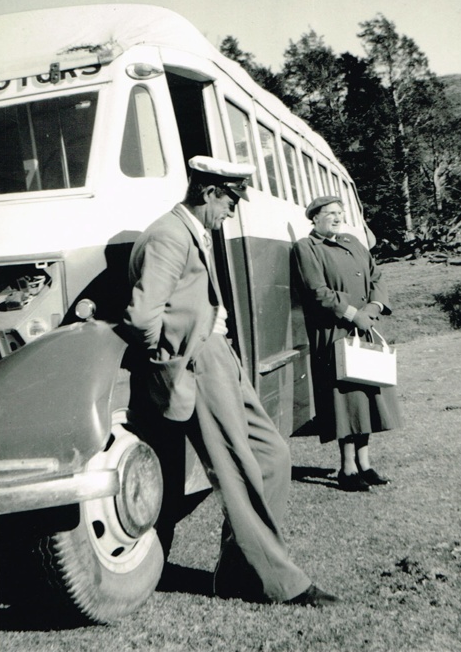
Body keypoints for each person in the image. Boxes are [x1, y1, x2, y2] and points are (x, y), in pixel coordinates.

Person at [123, 156, 339, 607]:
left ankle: (237, 573)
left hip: (220, 358)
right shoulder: (167, 234)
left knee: (274, 455)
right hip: (198, 362)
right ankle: (280, 582)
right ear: (207, 192)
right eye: (230, 200)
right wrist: (169, 359)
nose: (233, 211)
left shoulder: (191, 231)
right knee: (238, 470)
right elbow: (143, 315)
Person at [291, 195, 402, 492]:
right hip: (335, 332)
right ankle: (347, 468)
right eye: (330, 213)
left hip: (363, 327)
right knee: (346, 400)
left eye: (340, 213)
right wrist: (353, 314)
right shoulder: (306, 248)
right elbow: (316, 291)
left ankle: (365, 464)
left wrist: (373, 309)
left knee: (367, 397)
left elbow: (376, 276)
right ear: (314, 218)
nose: (337, 217)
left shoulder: (353, 242)